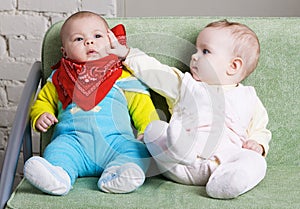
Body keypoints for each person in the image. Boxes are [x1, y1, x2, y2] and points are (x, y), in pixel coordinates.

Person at [108, 19, 272, 199]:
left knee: (255, 161)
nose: (194, 56)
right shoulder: (185, 85)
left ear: (233, 66)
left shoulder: (249, 98)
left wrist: (259, 144)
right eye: (196, 50)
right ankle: (180, 147)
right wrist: (128, 54)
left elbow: (260, 128)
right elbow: (155, 72)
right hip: (178, 163)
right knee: (154, 131)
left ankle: (229, 183)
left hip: (223, 164)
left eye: (205, 51)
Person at [24, 11, 159, 195]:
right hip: (73, 142)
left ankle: (117, 174)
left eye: (97, 36)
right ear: (65, 51)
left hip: (116, 142)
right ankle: (59, 176)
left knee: (138, 151)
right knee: (56, 150)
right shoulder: (59, 78)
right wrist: (41, 115)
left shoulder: (122, 75)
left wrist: (146, 130)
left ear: (110, 42)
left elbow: (142, 106)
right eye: (79, 39)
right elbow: (43, 101)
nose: (89, 42)